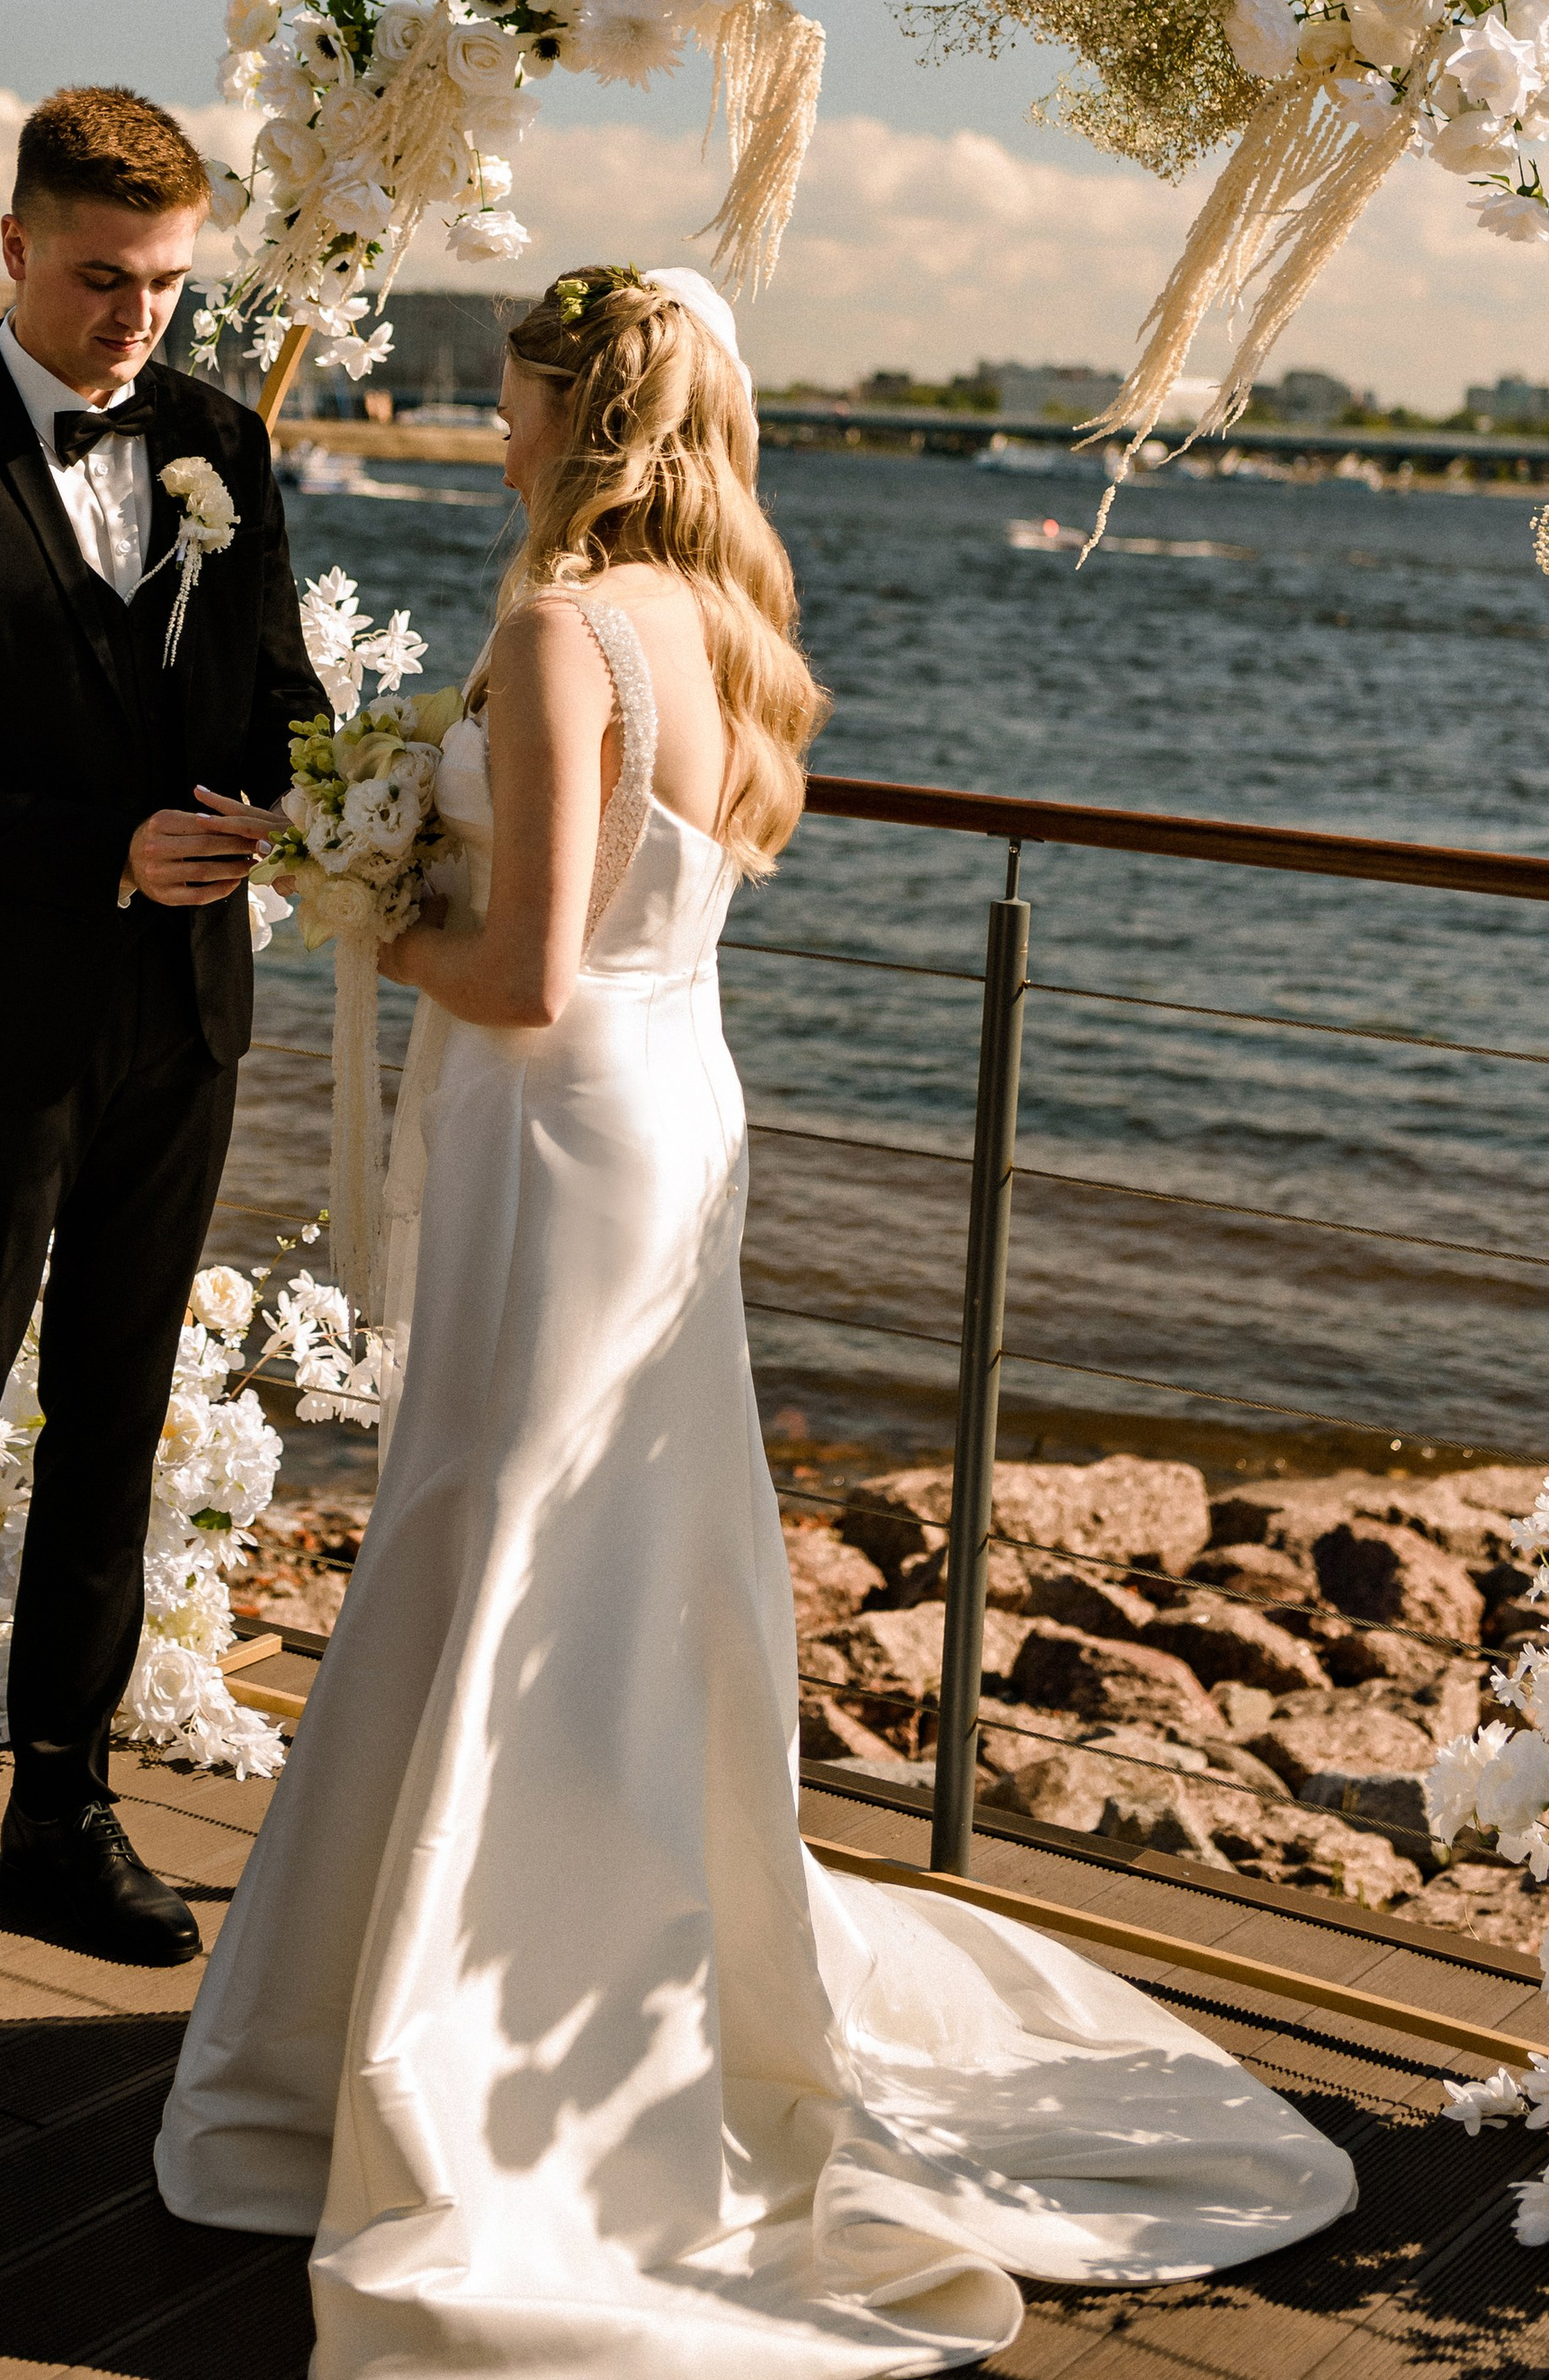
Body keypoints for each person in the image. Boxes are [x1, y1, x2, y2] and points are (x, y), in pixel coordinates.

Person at [157, 267, 1356, 2376]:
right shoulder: (718, 633)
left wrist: (355, 895)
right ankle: (552, 1972)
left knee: (506, 1542)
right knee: (599, 1556)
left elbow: (519, 975)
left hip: (560, 1124)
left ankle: (467, 2037)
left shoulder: (550, 627)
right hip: (672, 1116)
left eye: (510, 398)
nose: (492, 426)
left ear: (566, 414)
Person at [0, 85, 321, 1998]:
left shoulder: (223, 443)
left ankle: (58, 1807)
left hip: (185, 1015)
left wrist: (293, 804)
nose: (137, 319)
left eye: (170, 282)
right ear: (13, 247)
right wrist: (99, 850)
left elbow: (264, 690)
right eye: (103, 277)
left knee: (115, 1413)